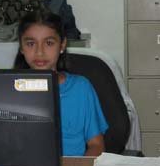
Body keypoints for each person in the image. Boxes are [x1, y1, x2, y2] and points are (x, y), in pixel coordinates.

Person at [14, 9, 108, 156]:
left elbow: (96, 145)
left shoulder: (81, 89)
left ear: (62, 45)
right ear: (21, 47)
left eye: (49, 43)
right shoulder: (11, 91)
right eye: (31, 43)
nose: (39, 52)